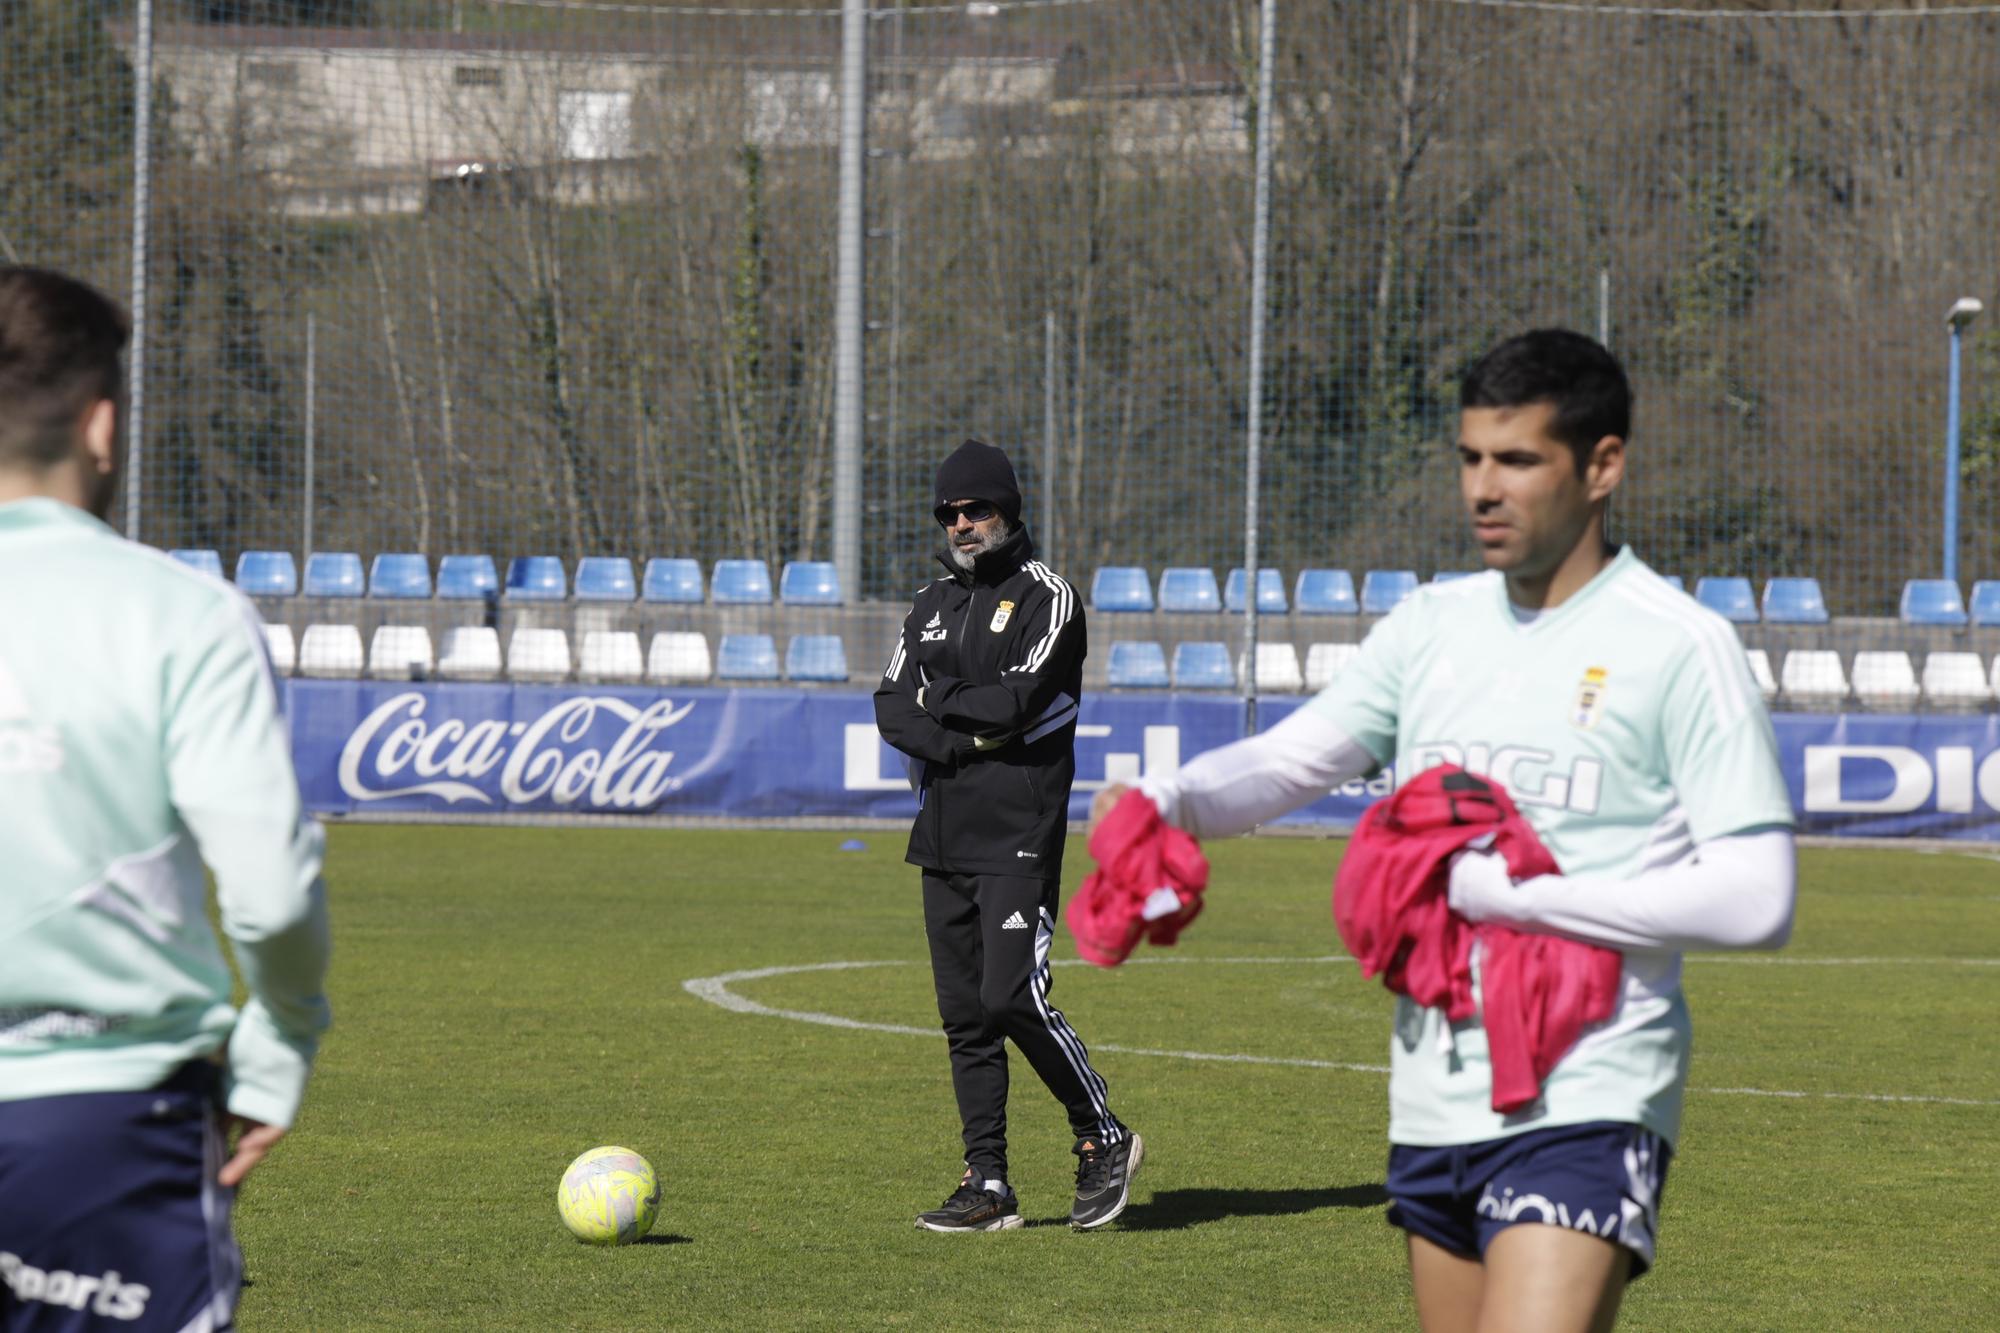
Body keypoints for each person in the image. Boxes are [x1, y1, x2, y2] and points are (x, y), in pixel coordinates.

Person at [1095, 330, 1795, 1330]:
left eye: (1516, 460)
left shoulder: (1677, 646)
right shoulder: (1430, 628)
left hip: (1589, 1093)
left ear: (1601, 465)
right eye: (1469, 457)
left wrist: (1516, 900)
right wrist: (1168, 799)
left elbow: (1755, 894)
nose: (1481, 488)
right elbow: (1290, 761)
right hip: (1431, 1095)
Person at [0, 266, 332, 1330]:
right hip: (102, 1131)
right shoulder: (183, 617)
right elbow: (272, 898)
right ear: (102, 427)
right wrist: (275, 1053)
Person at [875, 437, 1141, 1233]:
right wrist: (959, 727)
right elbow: (892, 706)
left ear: (1008, 511)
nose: (963, 524)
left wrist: (941, 701)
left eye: (977, 509)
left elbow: (1019, 703)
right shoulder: (928, 603)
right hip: (943, 835)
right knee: (965, 1016)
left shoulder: (1047, 596)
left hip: (1019, 831)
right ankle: (987, 1181)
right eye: (951, 513)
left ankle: (1102, 1133)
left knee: (1011, 993)